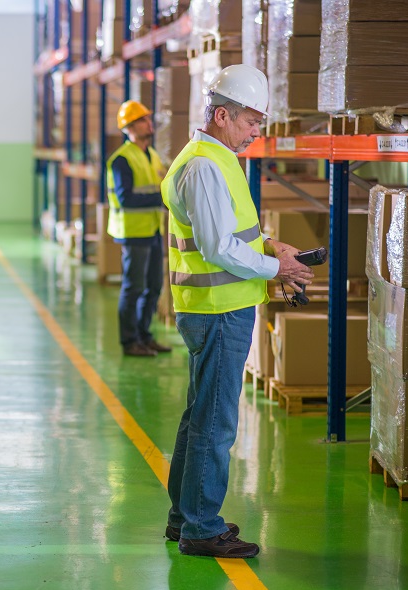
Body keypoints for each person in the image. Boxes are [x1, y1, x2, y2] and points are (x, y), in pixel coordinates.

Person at [160, 65, 314, 558]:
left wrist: (270, 246)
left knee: (199, 413)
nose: (256, 132)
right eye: (251, 121)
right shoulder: (206, 165)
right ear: (222, 115)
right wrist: (275, 268)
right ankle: (200, 529)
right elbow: (220, 247)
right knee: (215, 420)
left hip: (216, 307)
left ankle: (185, 516)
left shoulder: (214, 159)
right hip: (218, 310)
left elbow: (229, 234)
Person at [106, 101, 172, 357]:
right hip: (134, 232)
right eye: (143, 120)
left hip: (154, 230)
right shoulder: (121, 159)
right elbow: (126, 198)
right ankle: (129, 341)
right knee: (133, 288)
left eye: (148, 118)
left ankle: (145, 336)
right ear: (130, 127)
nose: (149, 123)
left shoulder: (152, 155)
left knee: (154, 286)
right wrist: (161, 198)